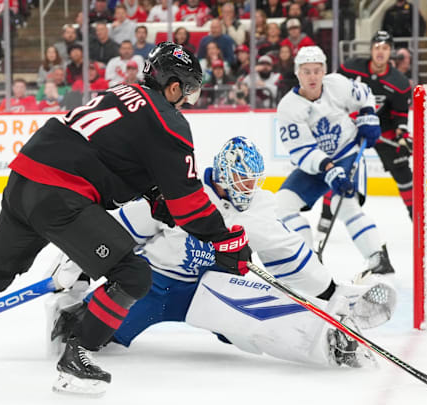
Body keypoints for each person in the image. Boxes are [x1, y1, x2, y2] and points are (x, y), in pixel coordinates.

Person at [0, 42, 252, 396]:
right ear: (173, 85)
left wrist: (152, 194)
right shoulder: (167, 119)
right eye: (187, 91)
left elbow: (111, 154)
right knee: (132, 275)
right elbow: (188, 202)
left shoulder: (122, 92)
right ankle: (76, 360)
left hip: (24, 179)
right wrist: (225, 239)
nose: (186, 100)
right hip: (61, 194)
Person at [47, 137, 396, 368]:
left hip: (213, 287)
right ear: (224, 174)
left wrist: (331, 292)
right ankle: (73, 311)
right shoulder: (181, 191)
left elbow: (287, 253)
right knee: (85, 335)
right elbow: (121, 229)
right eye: (242, 180)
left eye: (253, 181)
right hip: (150, 284)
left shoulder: (257, 207)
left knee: (258, 315)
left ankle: (332, 340)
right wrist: (80, 264)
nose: (249, 189)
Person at [275, 46, 395, 281]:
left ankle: (377, 258)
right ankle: (307, 260)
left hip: (347, 152)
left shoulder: (337, 84)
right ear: (297, 73)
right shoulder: (288, 107)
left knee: (346, 204)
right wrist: (329, 170)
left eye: (317, 71)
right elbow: (302, 151)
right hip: (315, 165)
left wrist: (369, 116)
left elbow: (365, 95)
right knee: (281, 206)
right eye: (307, 71)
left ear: (324, 71)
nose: (312, 77)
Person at [335, 31, 413, 220]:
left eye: (385, 48)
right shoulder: (350, 69)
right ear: (371, 50)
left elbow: (400, 114)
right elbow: (334, 92)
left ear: (390, 52)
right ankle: (326, 217)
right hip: (351, 126)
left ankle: (417, 216)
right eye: (377, 47)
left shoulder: (400, 83)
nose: (380, 52)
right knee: (337, 168)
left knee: (402, 169)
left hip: (382, 130)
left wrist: (402, 136)